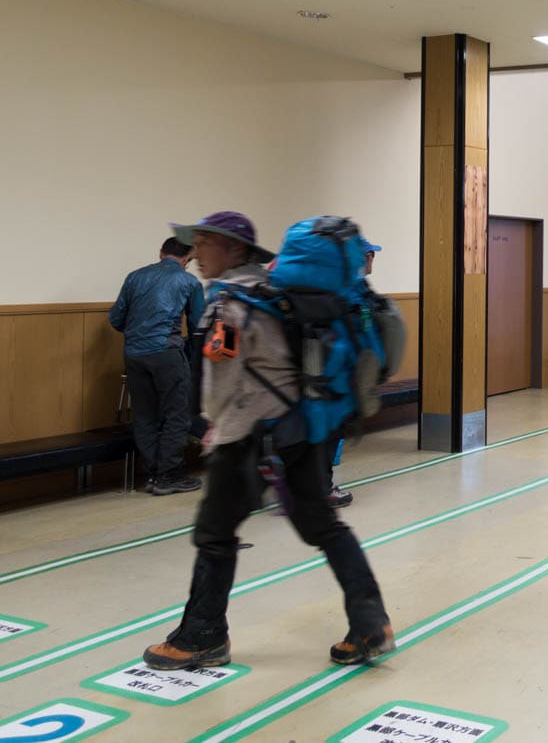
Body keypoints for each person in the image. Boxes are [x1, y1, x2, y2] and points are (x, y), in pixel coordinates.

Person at [142, 211, 394, 670]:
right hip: (303, 430)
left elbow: (219, 384)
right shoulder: (275, 292)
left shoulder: (230, 304)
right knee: (324, 528)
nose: (196, 253)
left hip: (249, 436)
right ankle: (369, 622)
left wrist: (214, 430)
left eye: (205, 242)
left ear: (235, 250)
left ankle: (201, 635)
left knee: (214, 534)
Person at [109, 237, 206, 495]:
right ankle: (169, 475)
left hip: (133, 355)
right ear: (187, 259)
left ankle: (154, 474)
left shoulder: (134, 277)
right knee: (178, 414)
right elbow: (198, 326)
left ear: (161, 253)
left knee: (144, 415)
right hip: (167, 355)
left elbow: (116, 319)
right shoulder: (189, 281)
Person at [324, 236, 382, 508]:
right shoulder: (355, 289)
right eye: (372, 255)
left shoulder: (324, 285)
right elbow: (364, 334)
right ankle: (323, 488)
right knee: (330, 431)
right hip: (338, 373)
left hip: (313, 369)